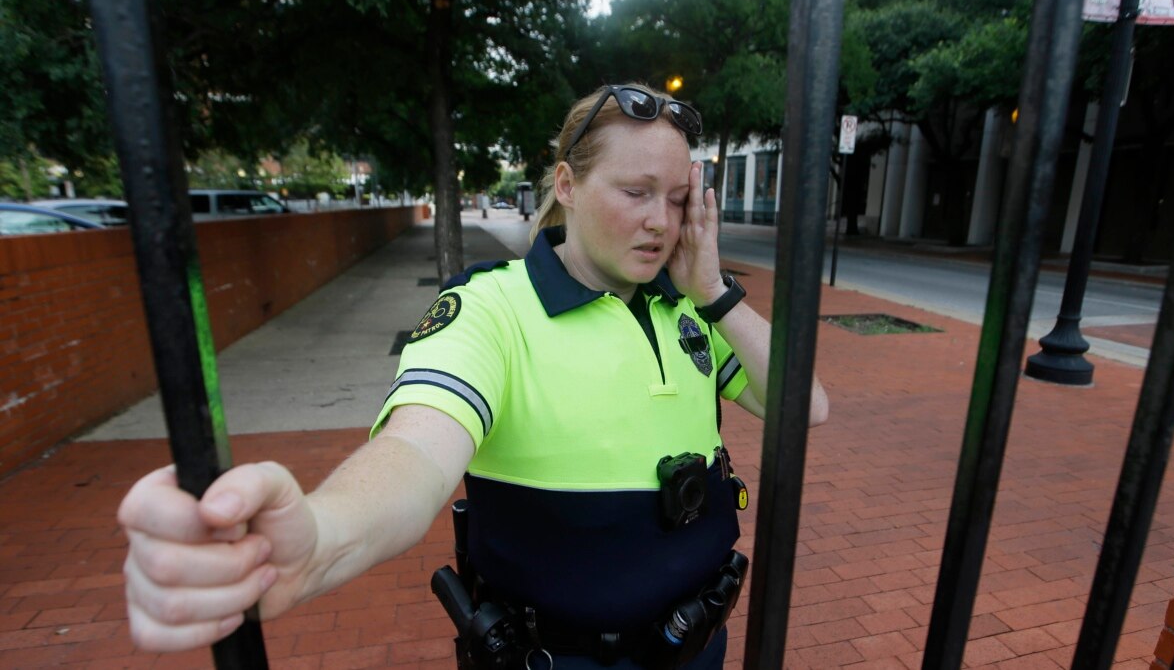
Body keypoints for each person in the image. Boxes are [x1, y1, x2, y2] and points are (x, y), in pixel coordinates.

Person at [117, 83, 828, 669]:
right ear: (567, 185)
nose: (660, 223)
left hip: (698, 643)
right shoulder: (491, 308)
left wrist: (715, 293)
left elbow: (807, 405)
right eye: (636, 192)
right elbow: (416, 453)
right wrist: (322, 534)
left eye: (677, 199)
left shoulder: (692, 306)